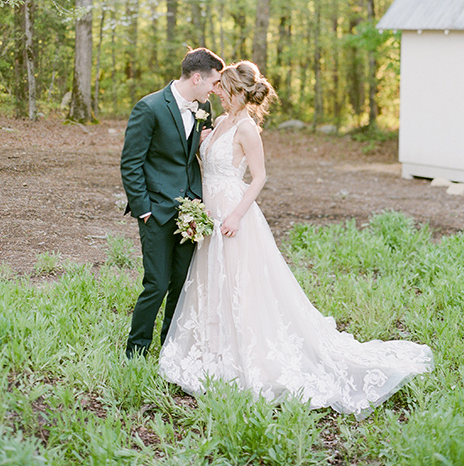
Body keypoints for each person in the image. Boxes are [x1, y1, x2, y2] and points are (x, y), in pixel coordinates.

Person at [159, 61, 433, 420]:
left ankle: (248, 355)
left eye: (224, 89)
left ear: (239, 92)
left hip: (233, 215)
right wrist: (205, 144)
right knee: (213, 283)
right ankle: (211, 347)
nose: (218, 94)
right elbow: (206, 163)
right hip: (208, 213)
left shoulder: (246, 128)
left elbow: (258, 177)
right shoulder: (221, 122)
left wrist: (237, 214)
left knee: (241, 286)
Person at [121, 47, 224, 359]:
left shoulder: (202, 109)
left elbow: (187, 157)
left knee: (182, 283)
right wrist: (144, 209)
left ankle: (171, 346)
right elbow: (131, 163)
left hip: (190, 211)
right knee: (157, 283)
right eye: (213, 82)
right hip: (156, 211)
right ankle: (136, 350)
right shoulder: (149, 107)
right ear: (196, 77)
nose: (214, 89)